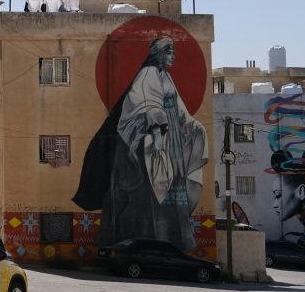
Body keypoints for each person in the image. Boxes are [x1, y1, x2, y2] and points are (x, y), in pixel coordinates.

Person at [73, 36, 207, 251]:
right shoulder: (148, 74)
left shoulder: (166, 77)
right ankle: (144, 241)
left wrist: (192, 124)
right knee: (148, 196)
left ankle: (173, 242)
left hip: (170, 142)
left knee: (172, 190)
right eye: (169, 51)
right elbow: (141, 104)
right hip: (152, 141)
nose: (173, 55)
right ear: (158, 53)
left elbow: (180, 110)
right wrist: (157, 120)